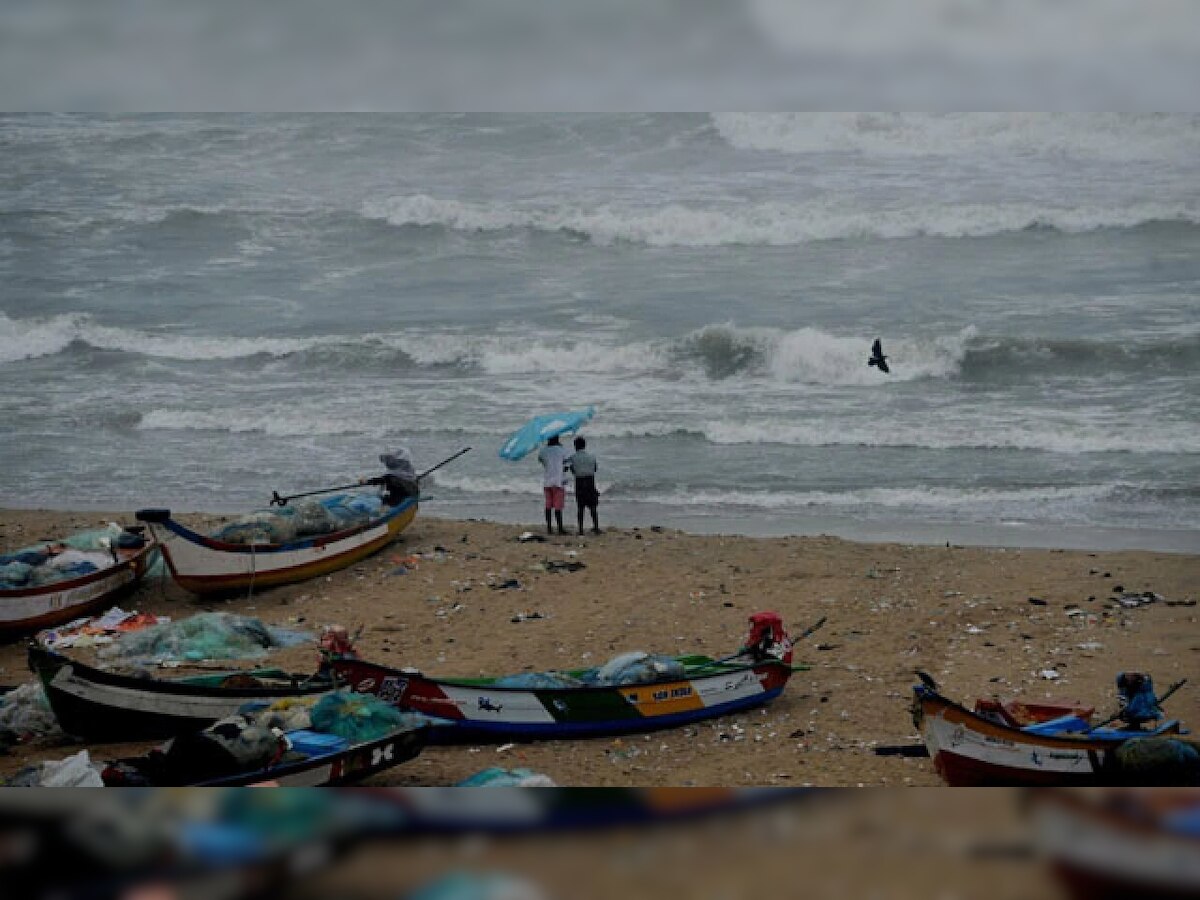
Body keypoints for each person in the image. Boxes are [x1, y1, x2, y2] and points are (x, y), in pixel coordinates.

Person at [568, 435, 601, 535]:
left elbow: (572, 470)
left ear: (575, 446)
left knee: (580, 507)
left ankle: (581, 529)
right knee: (593, 507)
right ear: (585, 445)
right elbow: (595, 469)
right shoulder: (592, 456)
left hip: (579, 482)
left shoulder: (572, 458)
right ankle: (596, 527)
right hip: (590, 482)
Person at [537, 435, 568, 535]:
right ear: (558, 439)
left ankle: (549, 528)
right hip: (558, 481)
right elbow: (566, 466)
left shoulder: (543, 451)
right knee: (558, 506)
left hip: (547, 481)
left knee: (548, 505)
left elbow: (541, 460)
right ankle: (560, 528)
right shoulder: (562, 450)